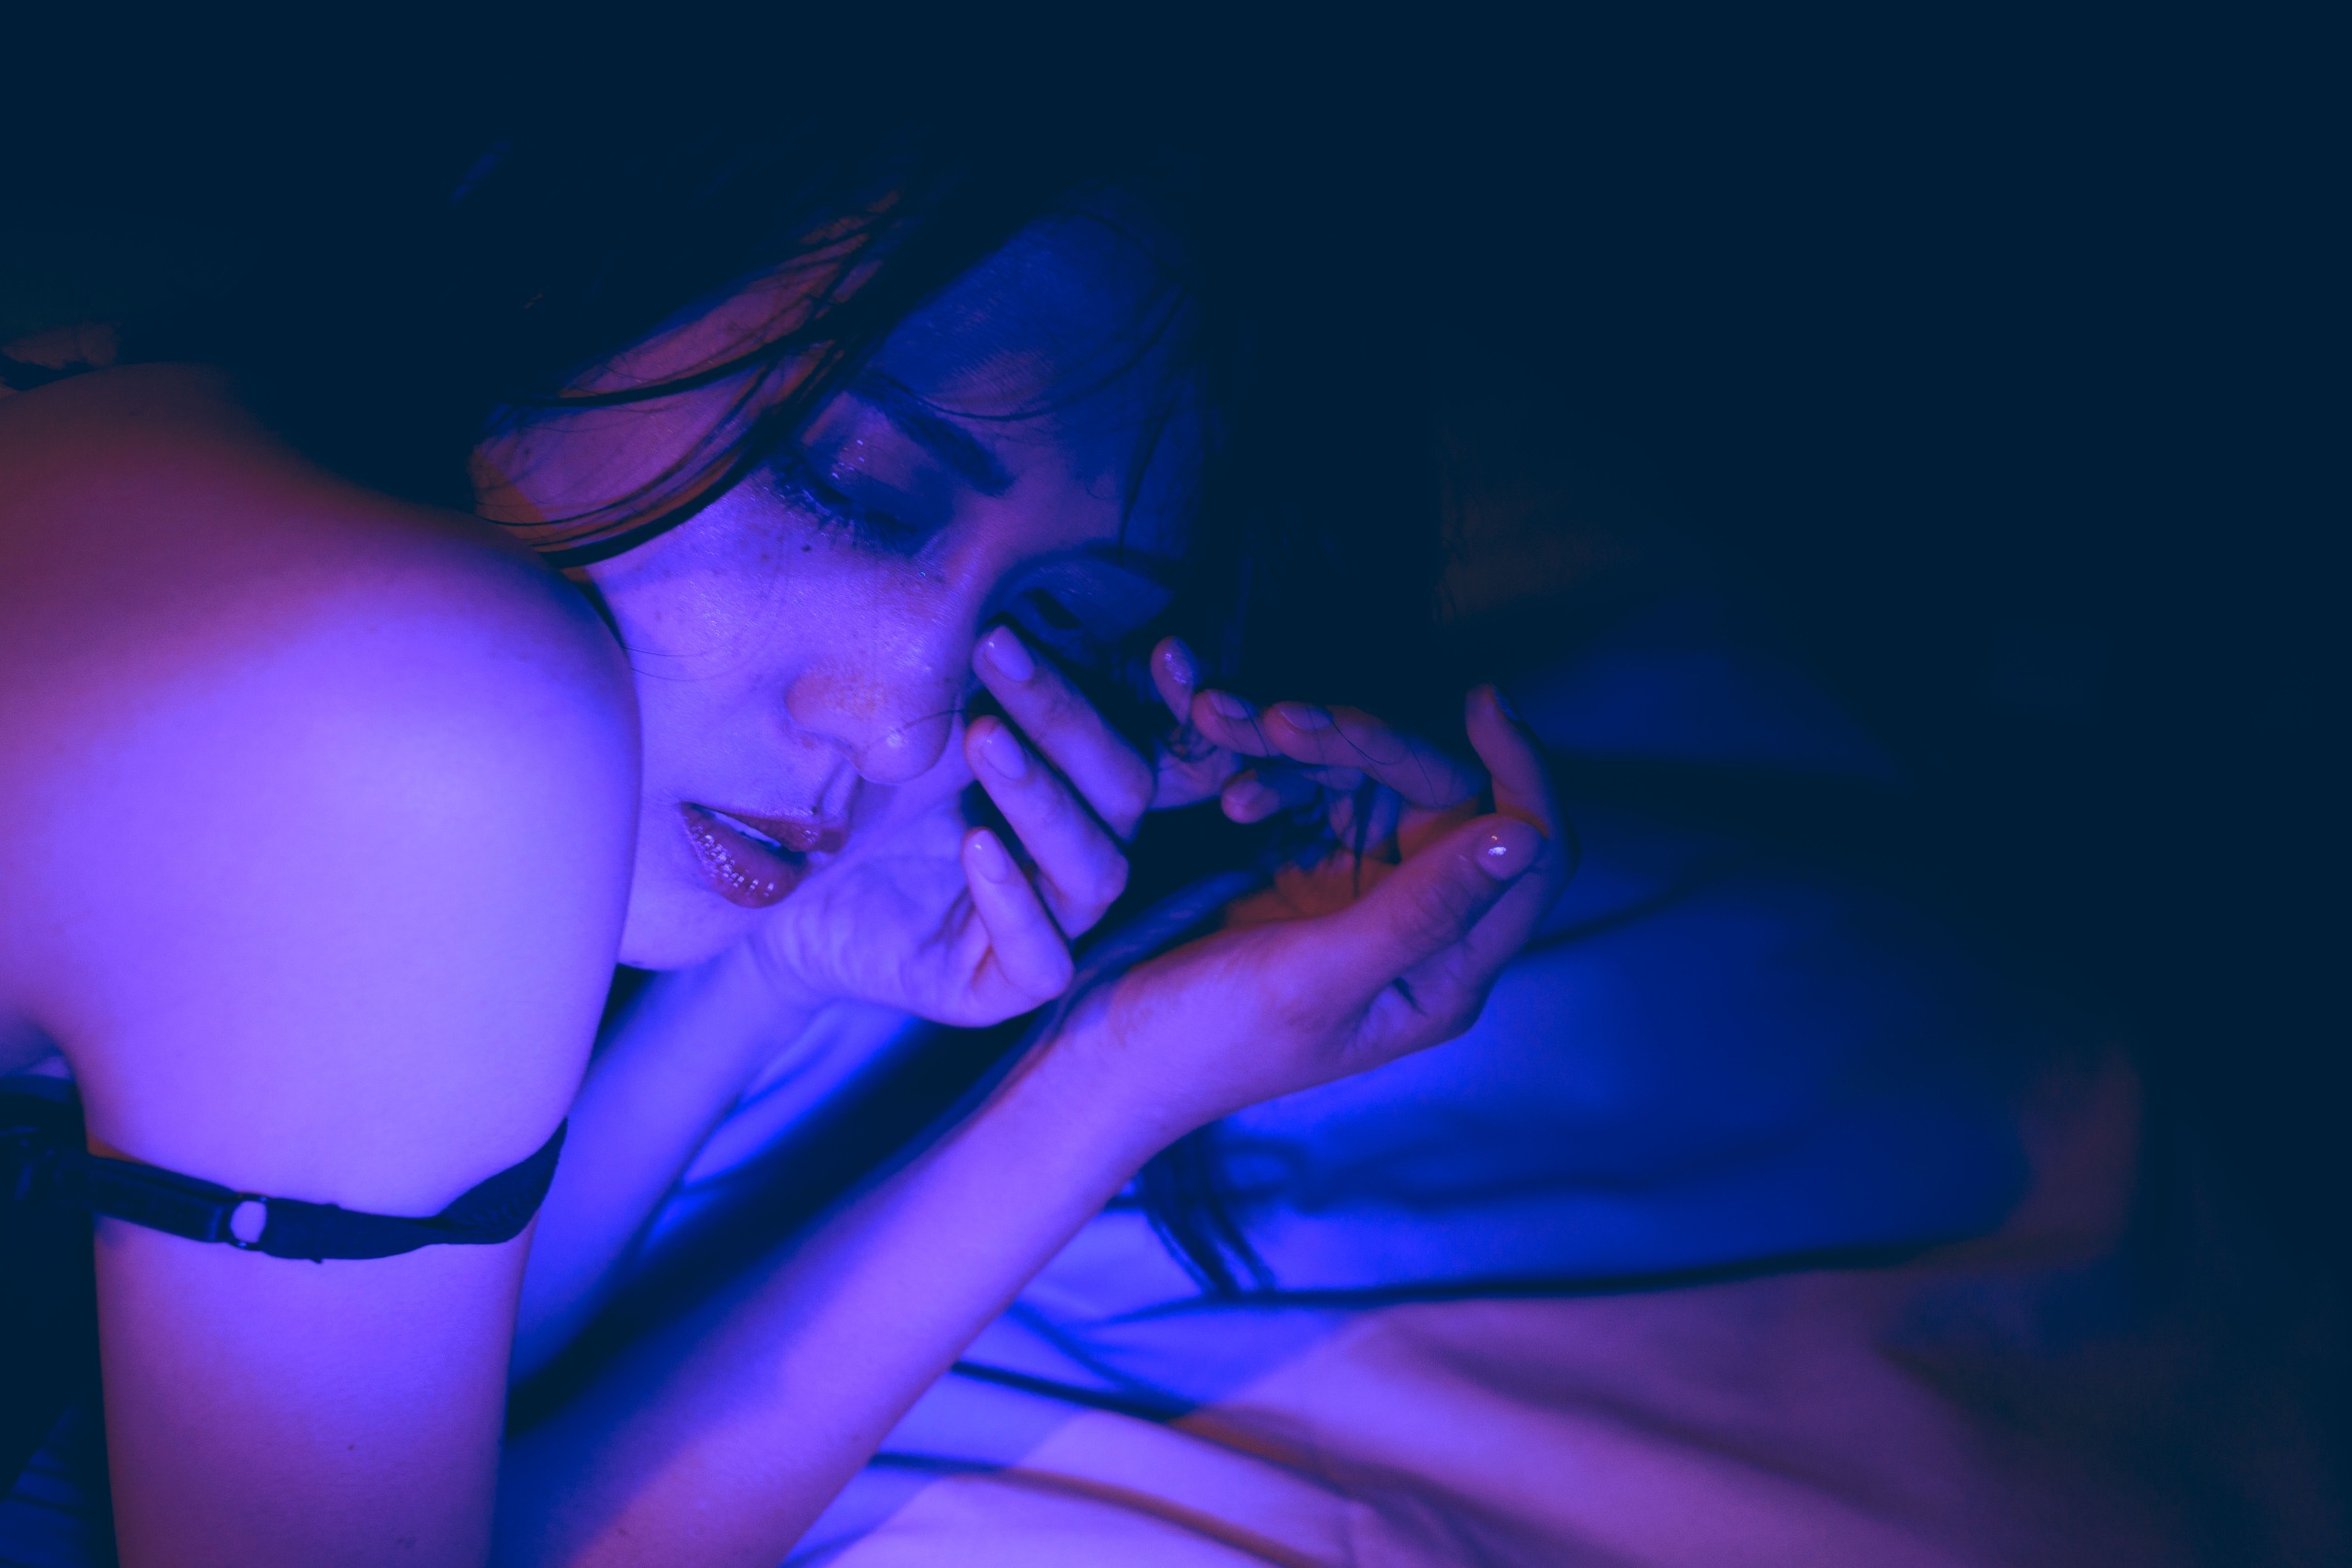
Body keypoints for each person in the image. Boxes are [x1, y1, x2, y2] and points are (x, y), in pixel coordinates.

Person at [0, 93, 1574, 1568]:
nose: (903, 728)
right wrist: (1104, 1096)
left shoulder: (167, 444)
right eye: (852, 484)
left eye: (1055, 624)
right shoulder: (408, 711)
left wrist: (812, 980)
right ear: (563, 256)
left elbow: (378, 1423)